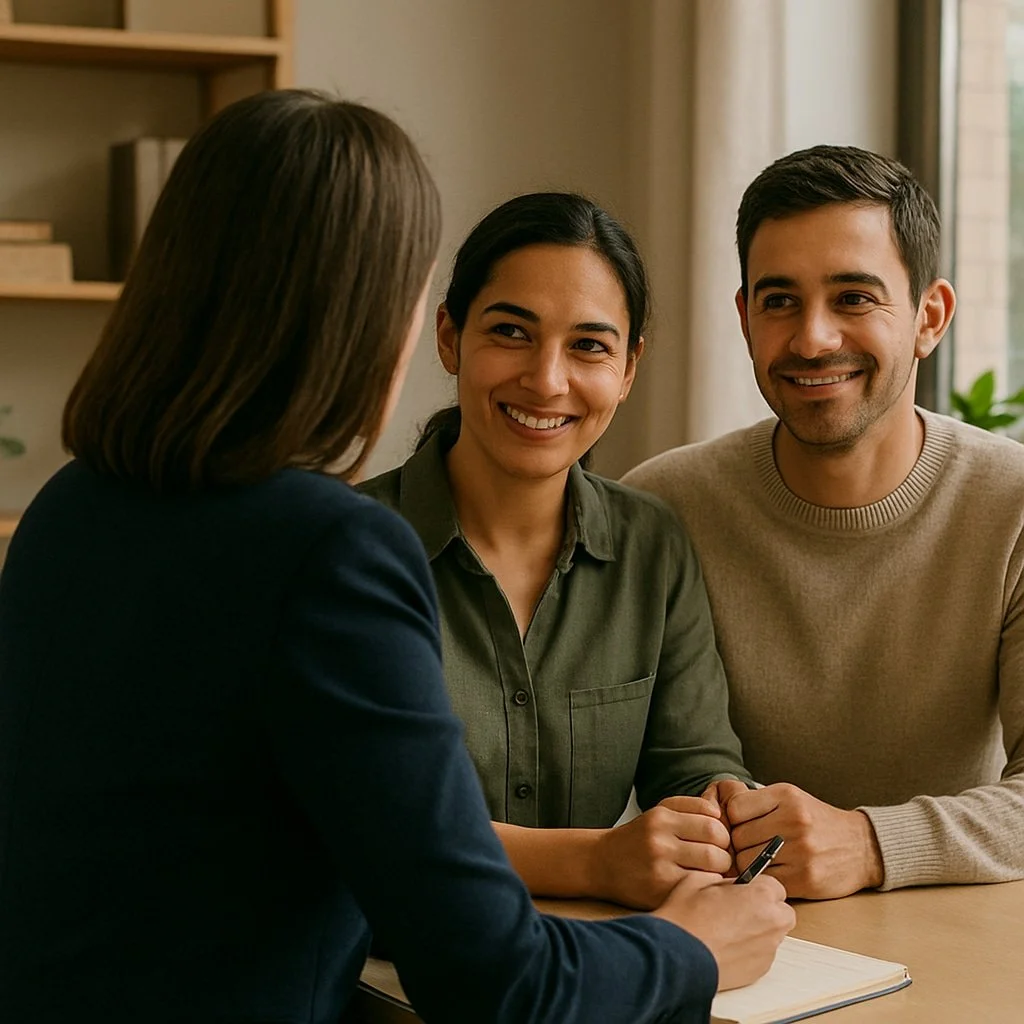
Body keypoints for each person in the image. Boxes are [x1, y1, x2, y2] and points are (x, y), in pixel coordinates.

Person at [0, 90, 793, 1023]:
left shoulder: (68, 508)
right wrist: (692, 948)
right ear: (385, 317)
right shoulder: (333, 549)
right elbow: (499, 986)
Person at [623, 143, 1024, 900]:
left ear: (929, 317)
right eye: (779, 300)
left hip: (953, 939)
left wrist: (872, 844)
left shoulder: (1012, 506)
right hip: (731, 941)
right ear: (744, 319)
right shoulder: (663, 505)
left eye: (854, 297)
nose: (813, 338)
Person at [360, 192, 753, 912]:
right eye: (512, 331)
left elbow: (694, 765)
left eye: (589, 346)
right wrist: (595, 861)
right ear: (449, 336)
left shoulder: (652, 545)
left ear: (629, 368)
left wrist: (724, 816)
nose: (547, 380)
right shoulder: (348, 549)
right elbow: (368, 823)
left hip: (592, 962)